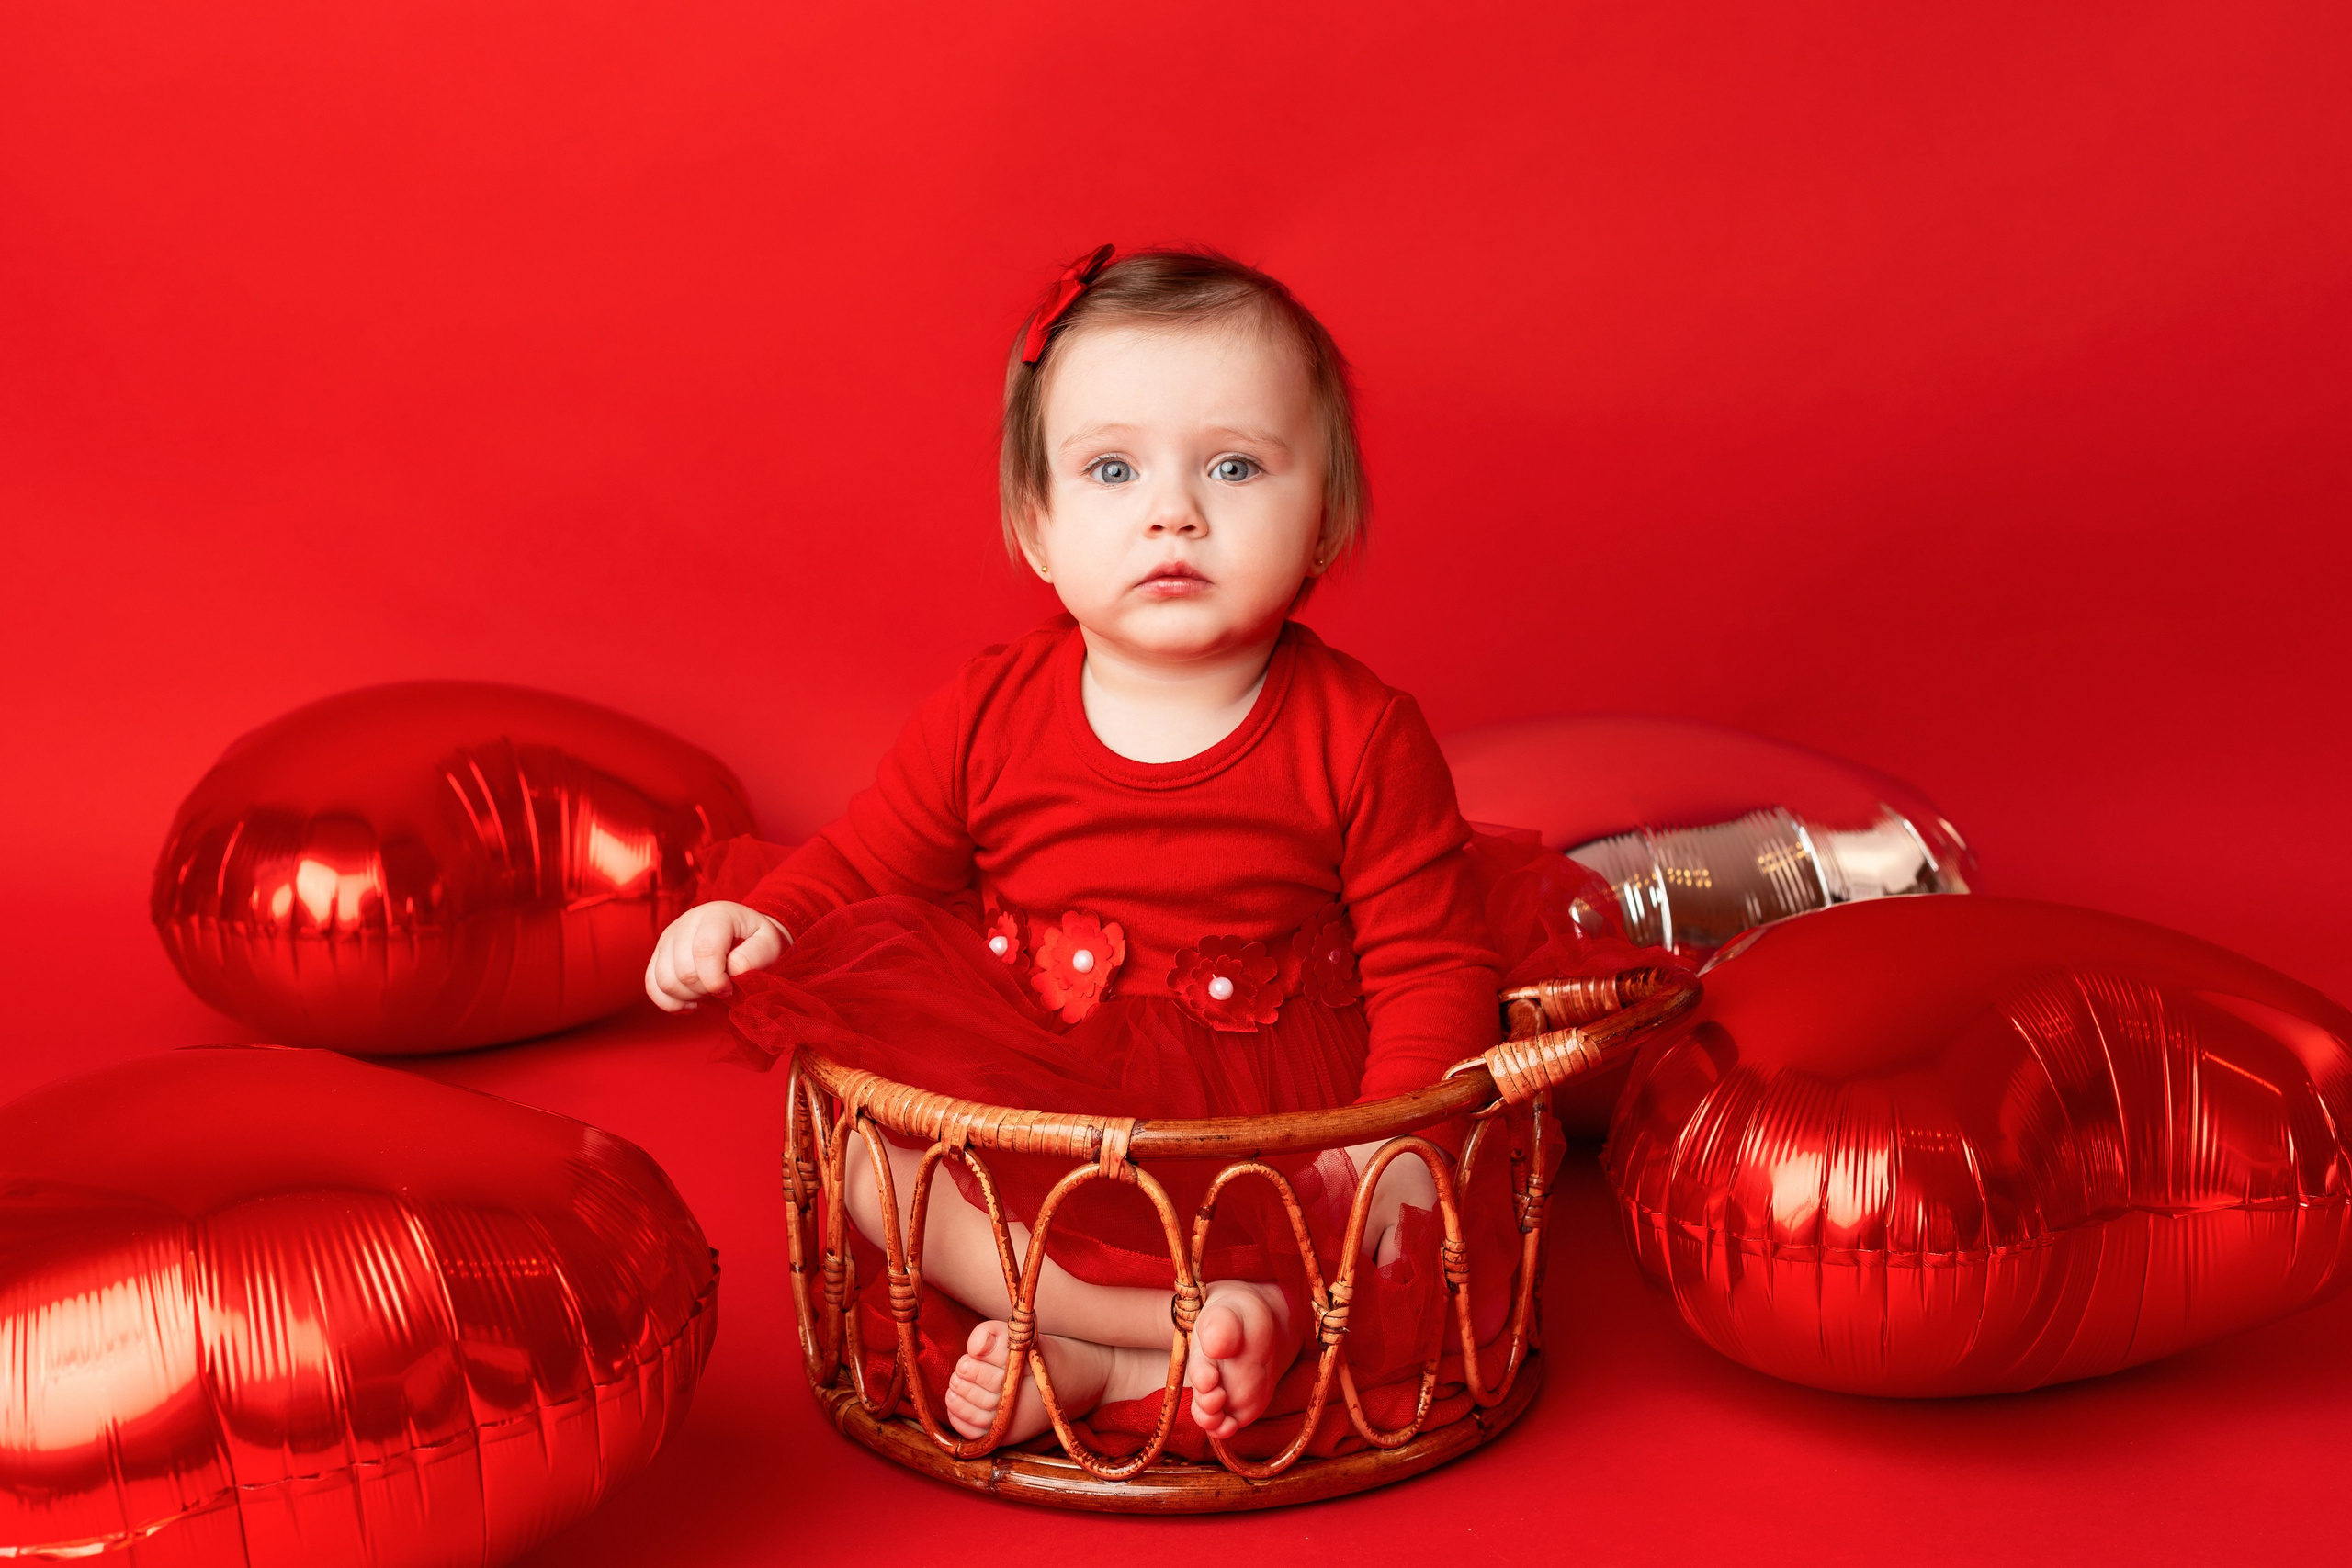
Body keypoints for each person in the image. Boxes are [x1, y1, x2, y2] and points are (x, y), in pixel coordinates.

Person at [646, 246, 1570, 1450]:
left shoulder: (1362, 735)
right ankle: (1149, 1329)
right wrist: (765, 921)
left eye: (1235, 466)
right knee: (882, 1172)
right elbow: (870, 863)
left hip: (1265, 1122)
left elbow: (1431, 960)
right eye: (1112, 468)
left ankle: (1130, 1340)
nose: (1172, 510)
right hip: (1035, 1086)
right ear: (1037, 527)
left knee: (1354, 1219)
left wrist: (1394, 1137)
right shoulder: (990, 712)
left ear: (1324, 521)